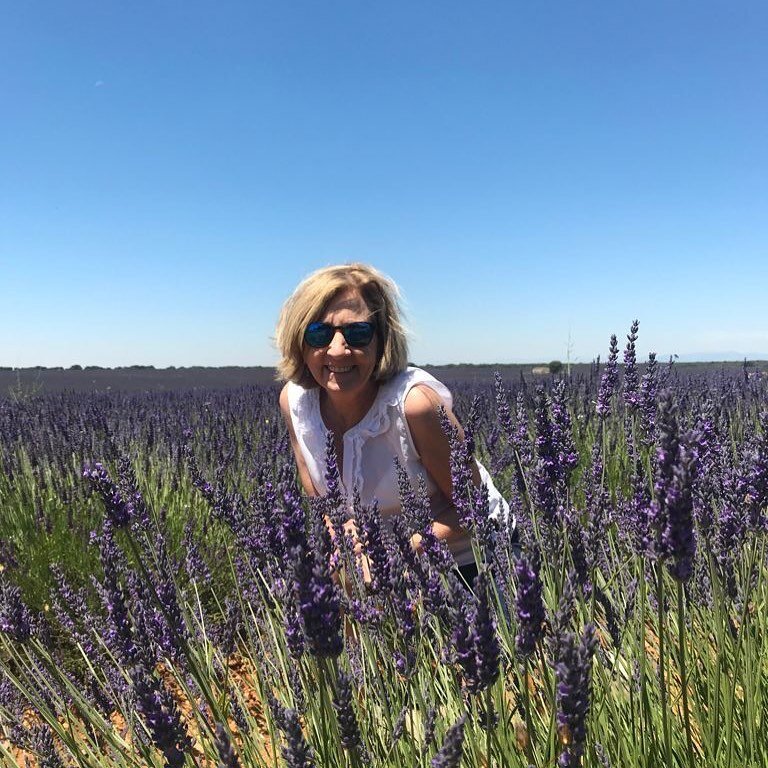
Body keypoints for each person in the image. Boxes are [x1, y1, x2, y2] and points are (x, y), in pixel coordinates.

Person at [275, 262, 509, 583]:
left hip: (471, 560)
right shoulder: (294, 402)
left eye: (357, 333)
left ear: (381, 340)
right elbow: (318, 497)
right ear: (300, 340)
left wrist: (395, 552)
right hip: (379, 569)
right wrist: (341, 537)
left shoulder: (415, 406)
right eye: (319, 333)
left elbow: (474, 509)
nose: (338, 350)